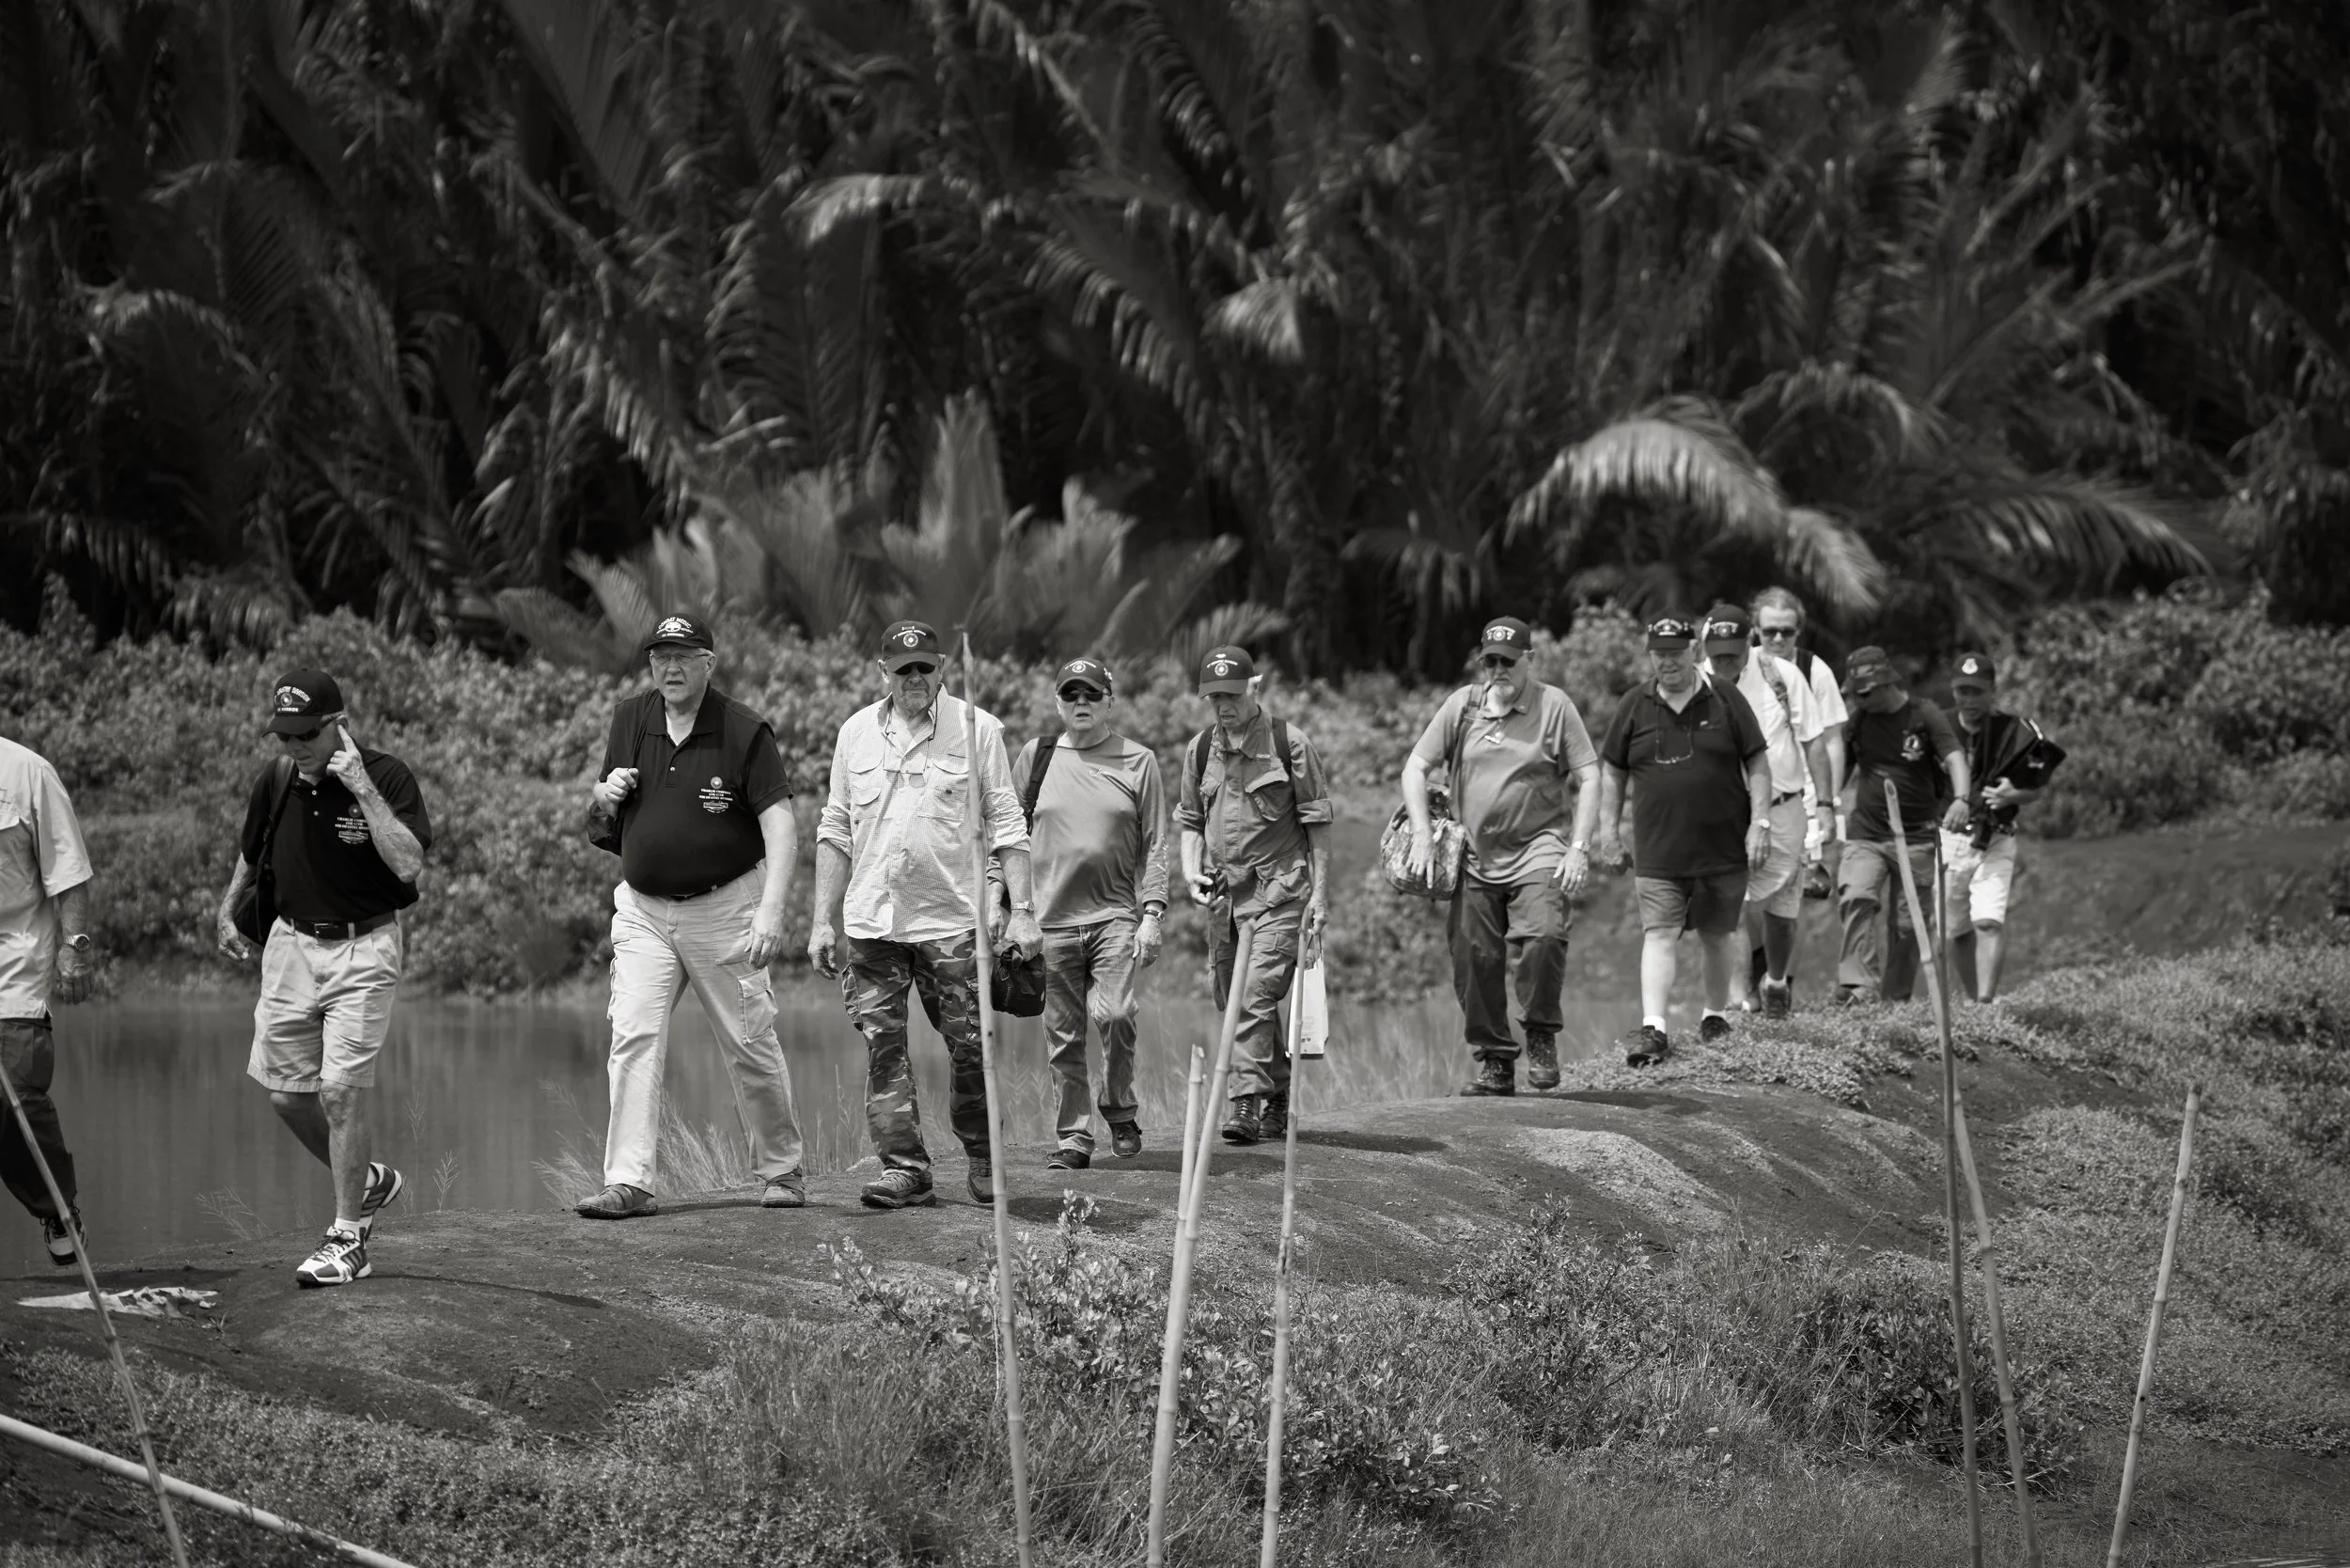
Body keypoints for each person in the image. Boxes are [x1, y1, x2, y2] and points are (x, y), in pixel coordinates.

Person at [575, 613, 807, 1219]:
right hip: (644, 910)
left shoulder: (743, 730)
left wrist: (772, 912)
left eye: (683, 656)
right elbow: (603, 806)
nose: (670, 667)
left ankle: (781, 1170)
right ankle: (628, 1183)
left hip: (727, 907)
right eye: (661, 656)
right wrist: (604, 793)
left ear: (709, 662)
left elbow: (781, 826)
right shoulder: (631, 718)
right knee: (633, 1036)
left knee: (749, 1040)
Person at [808, 620, 1041, 1209]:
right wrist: (820, 920)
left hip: (951, 919)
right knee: (883, 1046)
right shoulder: (855, 732)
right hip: (872, 922)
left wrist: (1021, 911)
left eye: (925, 668)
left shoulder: (979, 729)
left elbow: (1007, 823)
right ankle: (905, 1169)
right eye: (903, 669)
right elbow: (836, 828)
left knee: (969, 1043)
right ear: (883, 672)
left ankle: (984, 1157)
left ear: (941, 669)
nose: (915, 677)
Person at [215, 671, 430, 1288]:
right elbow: (252, 852)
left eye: (306, 735)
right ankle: (370, 1182)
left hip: (365, 947)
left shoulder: (387, 776)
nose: (295, 747)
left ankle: (348, 1238)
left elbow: (409, 862)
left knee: (339, 1091)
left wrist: (361, 787)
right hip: (289, 946)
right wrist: (226, 909)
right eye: (285, 736)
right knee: (287, 1094)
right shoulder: (278, 778)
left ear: (340, 724)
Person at [1399, 616, 1601, 1095]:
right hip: (1472, 854)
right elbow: (1415, 767)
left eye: (1508, 662)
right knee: (1474, 957)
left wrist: (1579, 848)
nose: (1498, 671)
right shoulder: (1463, 706)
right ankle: (1495, 1058)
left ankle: (1541, 1032)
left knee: (1545, 935)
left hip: (1540, 847)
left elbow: (1590, 776)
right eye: (1490, 661)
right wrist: (1423, 834)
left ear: (1529, 659)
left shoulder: (1554, 706)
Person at [1003, 657, 1170, 1169]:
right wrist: (1005, 906)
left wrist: (1153, 913)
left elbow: (1156, 843)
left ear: (1109, 701)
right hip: (1049, 921)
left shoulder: (1139, 760)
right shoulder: (1036, 757)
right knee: (1063, 1035)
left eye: (1092, 694)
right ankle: (1074, 1137)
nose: (1081, 703)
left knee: (1117, 1014)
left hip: (1114, 917)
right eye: (1071, 695)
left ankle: (1119, 1110)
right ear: (1057, 703)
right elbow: (1008, 837)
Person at [1594, 616, 1771, 1066]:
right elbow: (1612, 771)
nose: (1667, 661)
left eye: (1675, 652)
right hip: (1659, 849)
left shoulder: (1725, 697)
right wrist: (1607, 832)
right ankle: (1654, 1026)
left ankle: (1715, 1015)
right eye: (1659, 653)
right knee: (1659, 934)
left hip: (1722, 846)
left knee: (1717, 935)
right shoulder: (1635, 704)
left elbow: (1757, 761)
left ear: (1694, 650)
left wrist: (1760, 822)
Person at [1174, 645, 1333, 1145]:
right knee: (1233, 998)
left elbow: (1318, 824)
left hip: (1280, 892)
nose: (1223, 706)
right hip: (1225, 898)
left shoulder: (1290, 744)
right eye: (1214, 697)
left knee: (1253, 994)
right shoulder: (1201, 749)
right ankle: (1278, 1091)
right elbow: (1190, 821)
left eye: (1232, 695)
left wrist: (1320, 897)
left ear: (1254, 687)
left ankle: (1244, 1102)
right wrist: (1190, 871)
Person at [1700, 604, 1832, 1019]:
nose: (1724, 663)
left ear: (1749, 643)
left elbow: (1814, 741)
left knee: (1780, 911)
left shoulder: (1782, 676)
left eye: (1732, 654)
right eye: (1716, 654)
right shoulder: (1696, 682)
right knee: (1731, 905)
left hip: (1783, 810)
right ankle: (1741, 1003)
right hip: (1724, 814)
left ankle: (1775, 981)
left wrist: (1825, 806)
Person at [0, 734, 97, 1267]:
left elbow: (69, 870)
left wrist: (74, 946)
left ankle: (55, 1206)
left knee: (14, 1085)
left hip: (14, 963)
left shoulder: (28, 772)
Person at [1834, 647, 1971, 1003]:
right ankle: (1859, 987)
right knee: (1856, 895)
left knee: (1910, 924)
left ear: (1885, 684)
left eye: (1864, 694)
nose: (1859, 701)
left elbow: (1954, 756)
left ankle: (1895, 999)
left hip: (1917, 836)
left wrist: (1961, 799)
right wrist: (1824, 807)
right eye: (1855, 695)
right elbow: (1839, 770)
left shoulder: (1923, 715)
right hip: (1866, 833)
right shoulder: (1858, 722)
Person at [1943, 652, 2059, 1003]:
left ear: (1992, 690)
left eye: (1977, 691)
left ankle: (1985, 1004)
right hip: (1948, 840)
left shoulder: (2016, 731)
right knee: (1956, 929)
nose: (1969, 700)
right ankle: (1973, 1000)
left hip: (1997, 838)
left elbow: (2036, 788)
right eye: (1962, 691)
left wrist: (2012, 794)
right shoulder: (1939, 727)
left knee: (1988, 922)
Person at [1749, 586, 1848, 990]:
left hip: (1804, 800)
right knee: (1749, 897)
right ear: (1755, 630)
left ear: (1799, 632)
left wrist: (1828, 803)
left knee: (1797, 896)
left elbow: (1832, 740)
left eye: (1786, 632)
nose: (1778, 639)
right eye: (1769, 630)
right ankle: (1755, 977)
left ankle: (1781, 984)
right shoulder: (1741, 667)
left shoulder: (1813, 670)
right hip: (1755, 802)